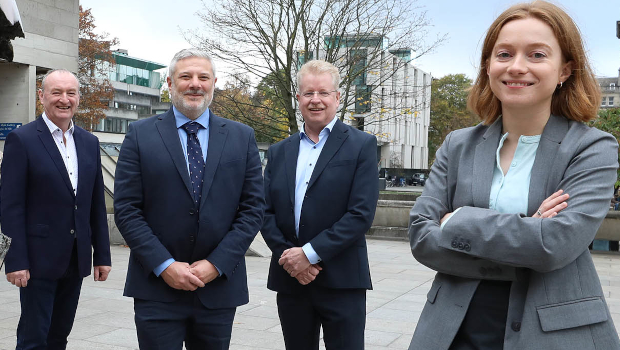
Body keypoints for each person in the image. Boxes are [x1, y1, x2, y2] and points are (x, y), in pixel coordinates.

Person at [408, 2, 620, 349]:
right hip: (454, 329)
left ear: (564, 69)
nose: (517, 67)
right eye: (504, 54)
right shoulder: (457, 145)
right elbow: (420, 236)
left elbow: (554, 245)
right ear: (489, 65)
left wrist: (456, 220)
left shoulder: (592, 148)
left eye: (537, 55)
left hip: (554, 334)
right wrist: (528, 229)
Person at [113, 48, 264, 349]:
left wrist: (216, 264)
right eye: (185, 76)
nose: (195, 83)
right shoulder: (139, 135)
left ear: (214, 84)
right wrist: (165, 265)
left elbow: (252, 209)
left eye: (203, 77)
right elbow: (127, 209)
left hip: (218, 288)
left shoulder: (241, 137)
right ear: (169, 83)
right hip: (156, 287)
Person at [261, 60, 379, 350]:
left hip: (342, 279)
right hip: (291, 280)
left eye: (324, 93)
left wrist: (309, 255)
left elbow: (360, 214)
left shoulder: (362, 145)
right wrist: (292, 260)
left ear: (337, 98)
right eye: (308, 93)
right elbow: (264, 212)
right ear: (298, 98)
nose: (316, 100)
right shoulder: (278, 152)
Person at [1, 69, 111, 349]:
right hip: (37, 261)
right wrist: (15, 260)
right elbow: (11, 205)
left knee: (59, 335)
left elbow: (95, 202)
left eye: (71, 93)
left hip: (75, 258)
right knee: (33, 337)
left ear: (78, 97)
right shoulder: (22, 140)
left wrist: (102, 255)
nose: (64, 99)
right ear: (41, 97)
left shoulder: (89, 142)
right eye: (56, 92)